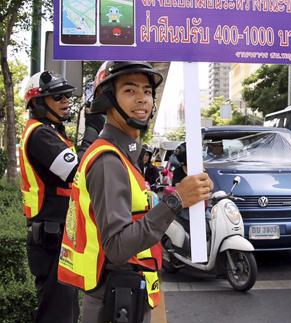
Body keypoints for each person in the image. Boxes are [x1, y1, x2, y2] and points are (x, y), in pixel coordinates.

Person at [57, 61, 213, 323]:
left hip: (134, 291)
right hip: (116, 300)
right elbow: (117, 246)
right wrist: (176, 200)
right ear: (108, 100)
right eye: (130, 91)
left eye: (147, 92)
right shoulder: (108, 161)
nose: (142, 99)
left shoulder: (124, 155)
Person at [20, 71, 104, 323]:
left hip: (58, 234)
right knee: (57, 314)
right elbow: (76, 171)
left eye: (67, 95)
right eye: (57, 96)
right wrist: (92, 130)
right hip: (50, 237)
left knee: (65, 311)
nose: (66, 100)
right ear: (37, 103)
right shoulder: (40, 135)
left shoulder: (52, 133)